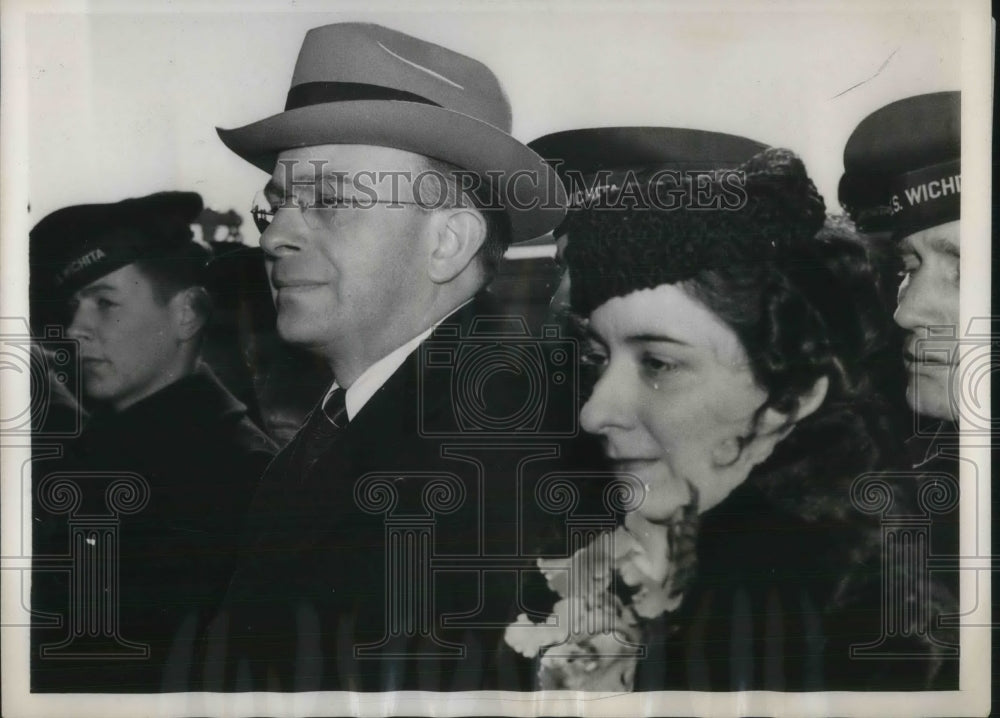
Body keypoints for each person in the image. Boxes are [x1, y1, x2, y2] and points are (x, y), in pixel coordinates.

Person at [201, 22, 582, 691]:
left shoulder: (497, 454)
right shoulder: (354, 428)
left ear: (449, 242)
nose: (278, 237)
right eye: (278, 205)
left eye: (330, 200)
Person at [508, 146, 957, 690]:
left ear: (792, 398)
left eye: (658, 364)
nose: (594, 412)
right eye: (598, 360)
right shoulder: (679, 551)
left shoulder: (866, 631)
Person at [29, 192, 277, 692]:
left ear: (187, 314)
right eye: (76, 306)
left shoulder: (242, 478)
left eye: (106, 303)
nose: (77, 329)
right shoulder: (88, 451)